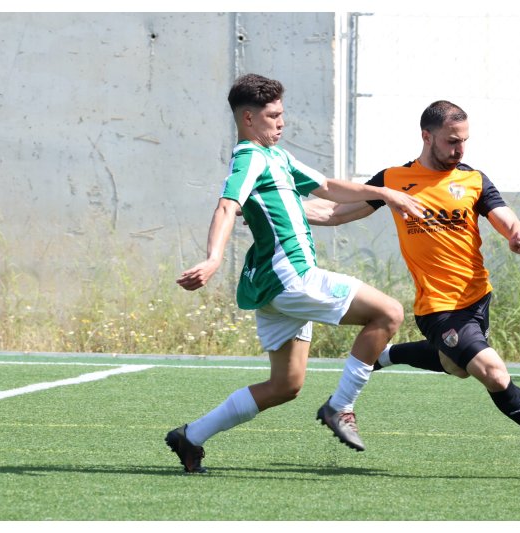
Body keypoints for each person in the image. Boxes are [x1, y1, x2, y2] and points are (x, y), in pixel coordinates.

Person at [166, 73, 424, 473]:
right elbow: (226, 205)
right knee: (388, 313)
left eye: (282, 113)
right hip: (292, 277)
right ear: (248, 118)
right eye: (273, 115)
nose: (281, 122)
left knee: (285, 386)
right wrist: (214, 258)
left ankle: (191, 436)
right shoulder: (250, 156)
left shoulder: (278, 158)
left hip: (274, 286)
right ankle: (341, 407)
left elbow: (329, 194)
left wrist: (384, 194)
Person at [304, 100, 520, 455]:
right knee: (494, 374)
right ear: (427, 137)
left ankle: (386, 355)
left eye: (464, 141)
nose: (459, 149)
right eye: (451, 141)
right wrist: (274, 210)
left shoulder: (472, 179)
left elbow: (504, 215)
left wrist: (518, 234)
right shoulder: (394, 181)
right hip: (438, 308)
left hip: (477, 300)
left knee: (455, 366)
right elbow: (335, 212)